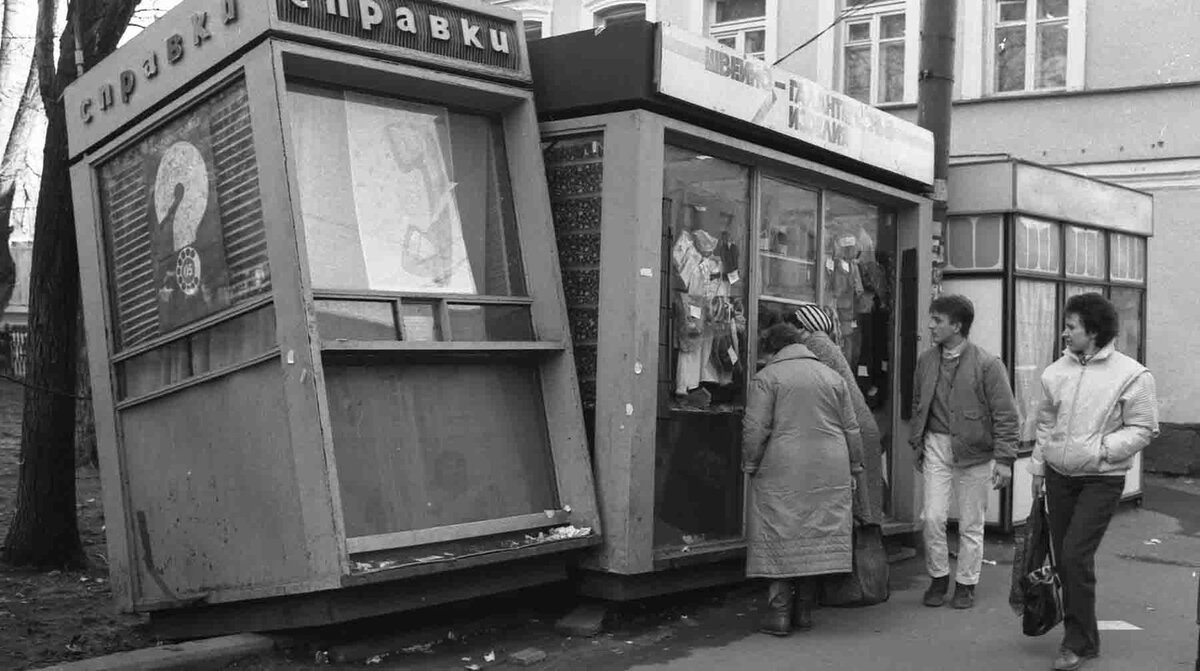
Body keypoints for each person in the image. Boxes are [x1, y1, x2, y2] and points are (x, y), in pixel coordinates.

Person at [1030, 293, 1158, 671]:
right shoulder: (1055, 372)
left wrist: (1103, 450)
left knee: (1073, 557)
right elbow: (1045, 424)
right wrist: (1039, 469)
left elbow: (1144, 427)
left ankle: (1078, 643)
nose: (1065, 333)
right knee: (1070, 561)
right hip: (1059, 476)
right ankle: (1084, 638)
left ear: (1094, 331)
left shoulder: (1133, 375)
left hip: (1101, 479)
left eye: (1072, 326)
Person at [743, 323, 864, 636]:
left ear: (773, 349)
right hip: (830, 465)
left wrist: (750, 463)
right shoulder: (832, 376)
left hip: (782, 465)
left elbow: (756, 429)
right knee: (814, 534)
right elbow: (852, 427)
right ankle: (805, 611)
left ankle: (779, 613)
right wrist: (855, 467)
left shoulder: (767, 378)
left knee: (780, 532)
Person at [909, 294, 1018, 609]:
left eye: (937, 320)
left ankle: (966, 583)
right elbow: (920, 404)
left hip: (974, 452)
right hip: (936, 445)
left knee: (971, 522)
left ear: (957, 326)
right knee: (931, 517)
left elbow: (1006, 415)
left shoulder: (988, 364)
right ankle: (938, 576)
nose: (930, 326)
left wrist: (1006, 460)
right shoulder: (926, 361)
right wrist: (918, 442)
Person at [787, 303, 883, 525]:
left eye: (793, 326)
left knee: (859, 505)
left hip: (852, 430)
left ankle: (861, 552)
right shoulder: (825, 344)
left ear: (803, 327)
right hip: (857, 427)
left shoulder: (817, 346)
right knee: (862, 500)